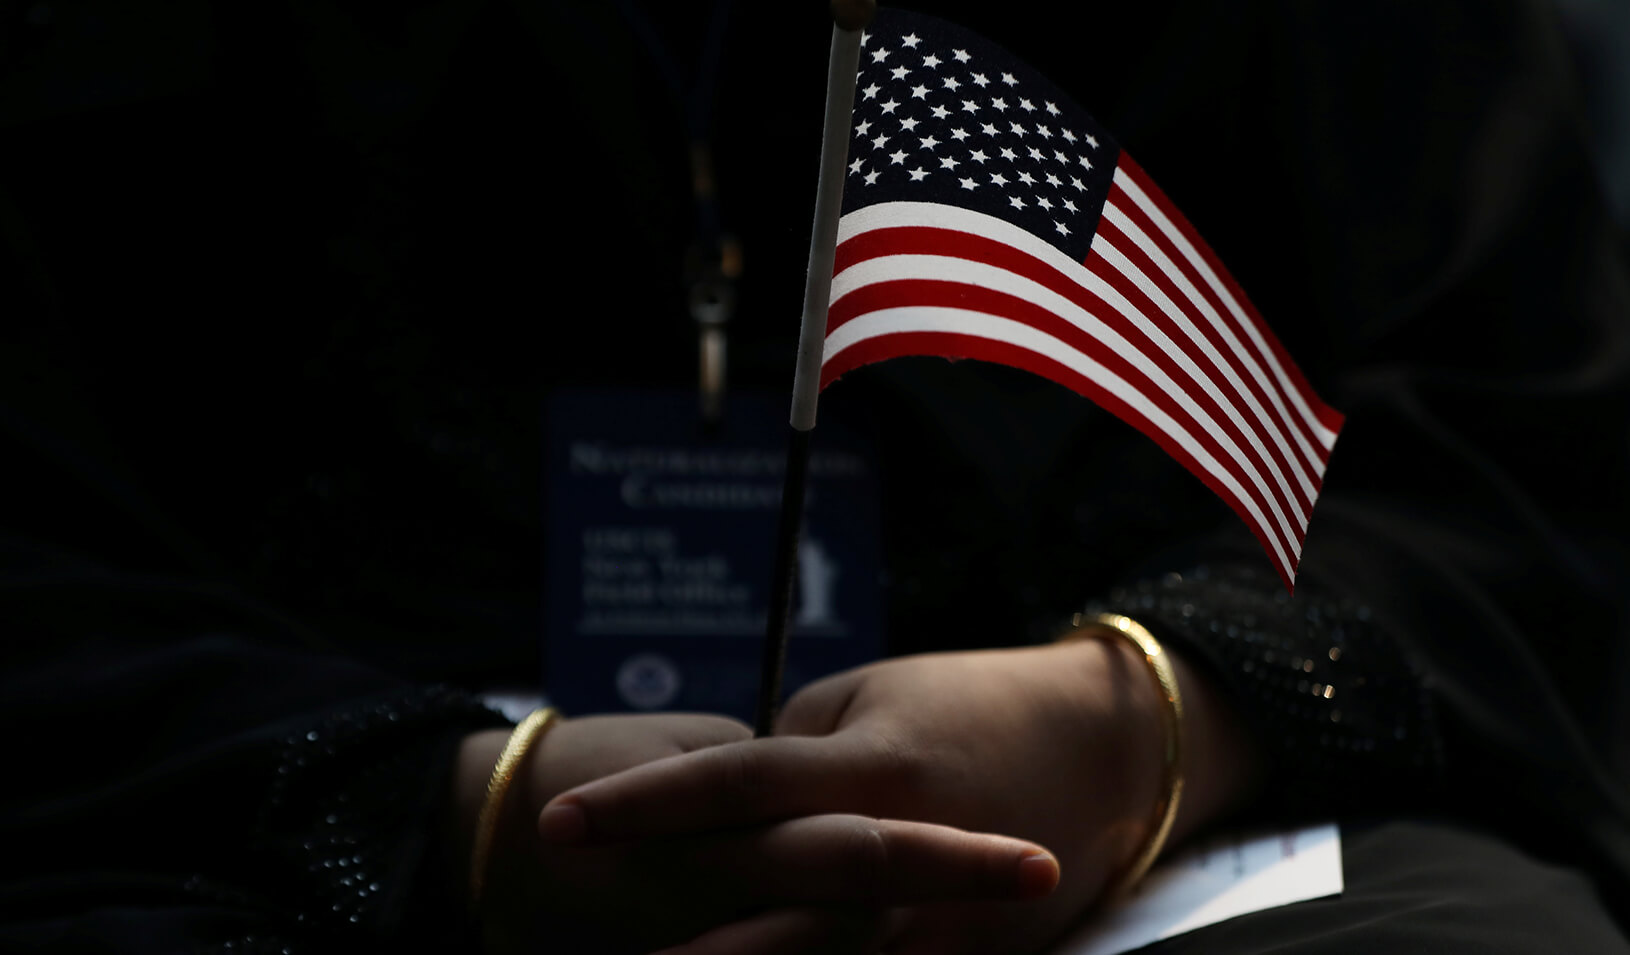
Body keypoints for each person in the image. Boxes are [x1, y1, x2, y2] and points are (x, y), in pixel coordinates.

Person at [3, 0, 1628, 952]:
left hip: (1179, 819)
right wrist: (460, 816)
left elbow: (1525, 447)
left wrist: (1151, 714)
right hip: (270, 799)